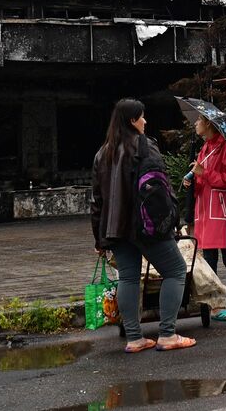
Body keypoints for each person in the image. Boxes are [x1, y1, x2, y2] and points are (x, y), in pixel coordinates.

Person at [91, 98, 194, 352]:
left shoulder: (103, 153)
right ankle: (168, 334)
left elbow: (97, 202)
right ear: (131, 121)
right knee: (176, 271)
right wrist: (170, 220)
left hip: (115, 228)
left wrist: (99, 239)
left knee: (128, 278)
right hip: (147, 226)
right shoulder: (145, 147)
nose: (145, 121)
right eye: (141, 117)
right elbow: (159, 188)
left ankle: (135, 338)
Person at [186, 115, 226, 322]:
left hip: (222, 209)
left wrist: (203, 173)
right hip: (205, 209)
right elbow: (202, 176)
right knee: (209, 258)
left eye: (198, 121)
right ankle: (214, 305)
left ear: (208, 125)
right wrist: (192, 180)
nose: (195, 124)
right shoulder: (205, 148)